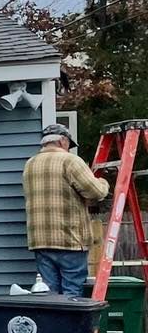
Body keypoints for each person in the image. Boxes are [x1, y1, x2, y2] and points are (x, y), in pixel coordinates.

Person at [22, 122, 109, 294]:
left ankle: (52, 322)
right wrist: (103, 182)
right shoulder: (70, 161)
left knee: (49, 294)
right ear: (62, 141)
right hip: (70, 240)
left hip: (40, 240)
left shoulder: (30, 164)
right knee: (72, 294)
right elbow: (96, 192)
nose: (69, 148)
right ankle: (70, 322)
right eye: (69, 144)